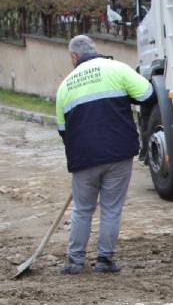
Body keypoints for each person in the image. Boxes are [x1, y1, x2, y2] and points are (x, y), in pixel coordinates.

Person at [55, 35, 153, 274]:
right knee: (111, 209)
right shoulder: (117, 69)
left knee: (82, 210)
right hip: (119, 153)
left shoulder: (65, 86)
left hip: (84, 158)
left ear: (74, 56)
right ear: (94, 49)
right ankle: (104, 260)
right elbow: (147, 94)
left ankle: (75, 261)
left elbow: (63, 131)